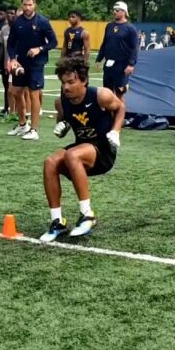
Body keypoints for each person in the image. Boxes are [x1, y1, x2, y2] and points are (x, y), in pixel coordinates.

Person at [42, 56, 125, 242]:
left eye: (71, 82)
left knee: (72, 155)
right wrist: (62, 126)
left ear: (84, 80)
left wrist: (116, 131)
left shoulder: (100, 95)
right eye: (63, 83)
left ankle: (87, 215)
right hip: (81, 150)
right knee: (50, 162)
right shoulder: (62, 101)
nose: (66, 87)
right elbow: (64, 120)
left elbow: (121, 108)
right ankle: (57, 222)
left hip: (102, 151)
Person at [6, 0, 58, 141]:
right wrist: (12, 59)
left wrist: (39, 49)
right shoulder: (17, 22)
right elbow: (11, 44)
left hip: (37, 63)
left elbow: (54, 42)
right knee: (16, 91)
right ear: (21, 5)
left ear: (34, 5)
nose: (27, 7)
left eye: (30, 4)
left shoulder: (43, 22)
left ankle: (34, 130)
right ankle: (23, 124)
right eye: (25, 4)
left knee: (34, 94)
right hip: (21, 63)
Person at [94, 1, 139, 102]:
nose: (114, 12)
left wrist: (131, 64)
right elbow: (105, 43)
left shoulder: (130, 28)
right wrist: (99, 59)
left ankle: (120, 116)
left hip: (122, 64)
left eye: (117, 10)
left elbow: (135, 47)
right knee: (107, 93)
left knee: (119, 93)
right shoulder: (109, 26)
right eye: (114, 10)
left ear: (124, 12)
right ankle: (109, 117)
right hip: (109, 63)